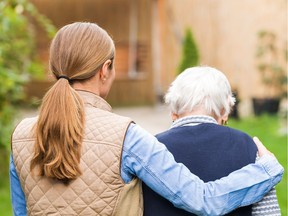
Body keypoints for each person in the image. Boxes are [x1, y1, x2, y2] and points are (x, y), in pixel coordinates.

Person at [10, 22, 283, 216]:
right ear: (106, 70)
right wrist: (266, 170)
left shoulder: (20, 135)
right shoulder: (125, 136)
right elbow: (203, 200)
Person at [143, 66, 282, 216]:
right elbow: (268, 212)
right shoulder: (249, 147)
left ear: (173, 112)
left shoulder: (149, 149)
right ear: (225, 111)